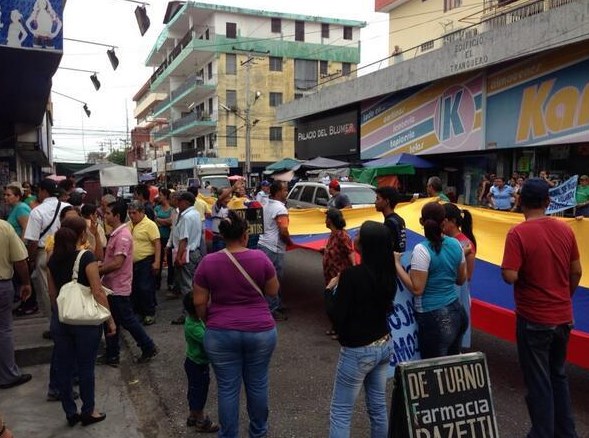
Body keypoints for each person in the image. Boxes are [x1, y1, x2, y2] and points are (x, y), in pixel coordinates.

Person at [501, 178, 582, 438]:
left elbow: (510, 275)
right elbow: (576, 271)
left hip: (533, 318)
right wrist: (563, 297)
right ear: (548, 202)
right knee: (558, 376)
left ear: (521, 201)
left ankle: (542, 433)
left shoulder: (518, 233)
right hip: (563, 317)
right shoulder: (566, 230)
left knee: (538, 382)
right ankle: (566, 432)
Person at [194, 210, 279, 438]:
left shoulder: (207, 263)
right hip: (260, 330)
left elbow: (199, 303)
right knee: (258, 383)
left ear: (222, 237)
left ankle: (229, 434)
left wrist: (210, 320)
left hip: (220, 332)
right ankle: (258, 432)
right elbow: (273, 291)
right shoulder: (260, 258)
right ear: (245, 235)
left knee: (227, 388)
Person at [46, 216, 116, 427]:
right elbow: (98, 292)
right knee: (86, 367)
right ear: (82, 234)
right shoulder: (86, 257)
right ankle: (89, 410)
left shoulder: (52, 259)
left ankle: (70, 411)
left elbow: (52, 294)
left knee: (64, 367)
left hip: (62, 318)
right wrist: (110, 320)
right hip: (85, 322)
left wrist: (59, 314)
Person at [328, 221, 395, 438]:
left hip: (358, 350)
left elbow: (336, 314)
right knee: (378, 408)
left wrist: (329, 290)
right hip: (384, 344)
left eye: (359, 235)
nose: (354, 237)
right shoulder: (388, 274)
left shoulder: (351, 276)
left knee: (341, 411)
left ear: (366, 245)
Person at [395, 202, 467, 359]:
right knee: (452, 367)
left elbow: (417, 289)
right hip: (457, 312)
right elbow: (461, 280)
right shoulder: (456, 244)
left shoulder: (422, 250)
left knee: (434, 371)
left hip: (434, 317)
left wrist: (396, 265)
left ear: (421, 222)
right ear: (444, 221)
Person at [98, 201, 158, 367]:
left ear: (117, 216)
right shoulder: (116, 233)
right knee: (112, 321)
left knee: (127, 320)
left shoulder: (123, 235)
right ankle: (112, 354)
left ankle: (148, 346)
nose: (105, 216)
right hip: (111, 286)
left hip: (118, 286)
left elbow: (118, 263)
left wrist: (98, 271)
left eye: (108, 213)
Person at [24, 179, 71, 319]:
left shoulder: (36, 212)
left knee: (47, 291)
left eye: (38, 191)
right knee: (67, 287)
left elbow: (33, 240)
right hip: (67, 252)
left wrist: (31, 260)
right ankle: (70, 318)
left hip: (43, 253)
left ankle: (55, 323)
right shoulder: (67, 207)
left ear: (44, 191)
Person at [0, 219, 32, 390]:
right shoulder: (4, 227)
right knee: (4, 329)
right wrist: (26, 283)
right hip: (2, 285)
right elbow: (20, 260)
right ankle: (8, 375)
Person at [182, 293, 219, 433]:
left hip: (194, 362)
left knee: (194, 389)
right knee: (200, 391)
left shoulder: (195, 320)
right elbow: (209, 342)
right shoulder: (194, 327)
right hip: (197, 364)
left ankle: (192, 415)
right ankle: (201, 420)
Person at [257, 181, 293, 321]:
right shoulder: (280, 209)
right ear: (278, 192)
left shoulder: (267, 204)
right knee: (274, 279)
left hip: (263, 244)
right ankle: (271, 309)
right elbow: (283, 230)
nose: (286, 193)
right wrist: (289, 242)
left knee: (267, 279)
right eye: (285, 190)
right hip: (274, 248)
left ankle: (275, 304)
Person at [443, 203, 477, 350]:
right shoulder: (443, 240)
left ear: (453, 221)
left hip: (457, 294)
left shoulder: (466, 244)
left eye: (443, 220)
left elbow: (467, 276)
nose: (441, 223)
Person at [321, 208, 355, 340]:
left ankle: (341, 330)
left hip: (339, 276)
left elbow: (350, 252)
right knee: (332, 301)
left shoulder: (342, 235)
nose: (325, 221)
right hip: (330, 275)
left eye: (326, 218)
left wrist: (354, 269)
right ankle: (335, 327)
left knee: (338, 303)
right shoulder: (333, 234)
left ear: (330, 220)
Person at [170, 192, 202, 325]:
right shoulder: (195, 214)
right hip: (195, 251)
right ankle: (196, 310)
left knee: (186, 286)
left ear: (187, 202)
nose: (178, 203)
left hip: (187, 252)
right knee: (194, 283)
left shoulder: (186, 217)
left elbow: (184, 239)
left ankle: (188, 313)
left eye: (180, 201)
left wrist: (178, 257)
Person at [128, 201, 161, 326]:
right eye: (129, 213)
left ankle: (149, 313)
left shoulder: (150, 225)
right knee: (134, 288)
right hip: (131, 263)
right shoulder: (128, 225)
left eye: (134, 213)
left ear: (142, 212)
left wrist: (157, 262)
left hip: (146, 261)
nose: (131, 215)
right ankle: (138, 312)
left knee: (145, 287)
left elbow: (157, 244)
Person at [374, 186, 406, 253]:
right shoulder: (400, 219)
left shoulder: (390, 223)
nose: (375, 202)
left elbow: (387, 248)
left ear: (386, 201)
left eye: (378, 199)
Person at [154, 188, 174, 291]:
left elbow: (171, 221)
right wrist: (165, 222)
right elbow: (155, 220)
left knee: (170, 261)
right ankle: (157, 282)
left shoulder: (172, 209)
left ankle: (170, 283)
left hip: (169, 238)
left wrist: (160, 221)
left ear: (166, 196)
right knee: (159, 259)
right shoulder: (157, 208)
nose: (159, 197)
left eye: (160, 195)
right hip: (159, 238)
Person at [210, 188, 232, 253]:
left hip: (228, 239)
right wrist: (233, 187)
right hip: (219, 239)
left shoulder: (228, 207)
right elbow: (220, 200)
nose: (228, 195)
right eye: (226, 194)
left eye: (229, 194)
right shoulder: (216, 207)